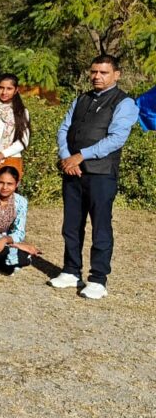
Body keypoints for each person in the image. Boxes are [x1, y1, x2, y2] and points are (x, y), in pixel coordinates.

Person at [51, 54, 138, 300]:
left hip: (101, 174)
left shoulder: (124, 103)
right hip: (73, 172)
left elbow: (116, 139)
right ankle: (71, 270)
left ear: (116, 75)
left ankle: (98, 279)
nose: (97, 76)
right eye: (94, 72)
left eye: (103, 72)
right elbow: (64, 128)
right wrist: (67, 157)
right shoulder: (82, 99)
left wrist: (81, 156)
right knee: (71, 225)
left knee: (100, 227)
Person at [0, 166, 38, 273]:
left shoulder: (21, 201)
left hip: (6, 240)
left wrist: (4, 240)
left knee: (22, 256)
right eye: (1, 182)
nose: (4, 187)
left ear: (17, 184)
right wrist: (13, 244)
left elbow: (19, 232)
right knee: (1, 253)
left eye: (9, 184)